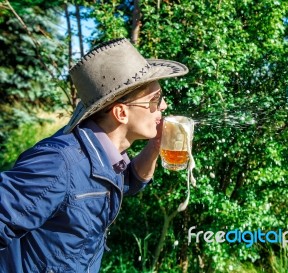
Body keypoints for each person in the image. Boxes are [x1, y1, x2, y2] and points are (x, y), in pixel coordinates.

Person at [0, 38, 188, 273]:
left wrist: (155, 146)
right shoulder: (59, 163)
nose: (163, 106)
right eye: (154, 100)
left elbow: (126, 182)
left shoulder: (107, 148)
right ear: (121, 113)